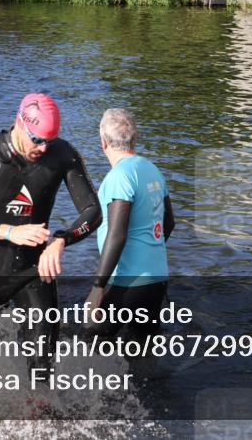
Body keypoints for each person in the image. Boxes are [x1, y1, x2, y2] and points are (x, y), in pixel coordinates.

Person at [0, 93, 101, 358]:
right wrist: (8, 232)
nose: (42, 148)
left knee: (43, 360)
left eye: (48, 141)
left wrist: (62, 240)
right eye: (37, 139)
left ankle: (39, 401)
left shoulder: (63, 155)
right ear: (19, 123)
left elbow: (93, 211)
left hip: (35, 270)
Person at [85, 109, 174, 339]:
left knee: (88, 347)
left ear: (102, 141)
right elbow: (170, 223)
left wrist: (97, 287)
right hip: (157, 280)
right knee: (142, 352)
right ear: (135, 138)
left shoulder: (119, 176)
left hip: (127, 282)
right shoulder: (152, 170)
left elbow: (117, 234)